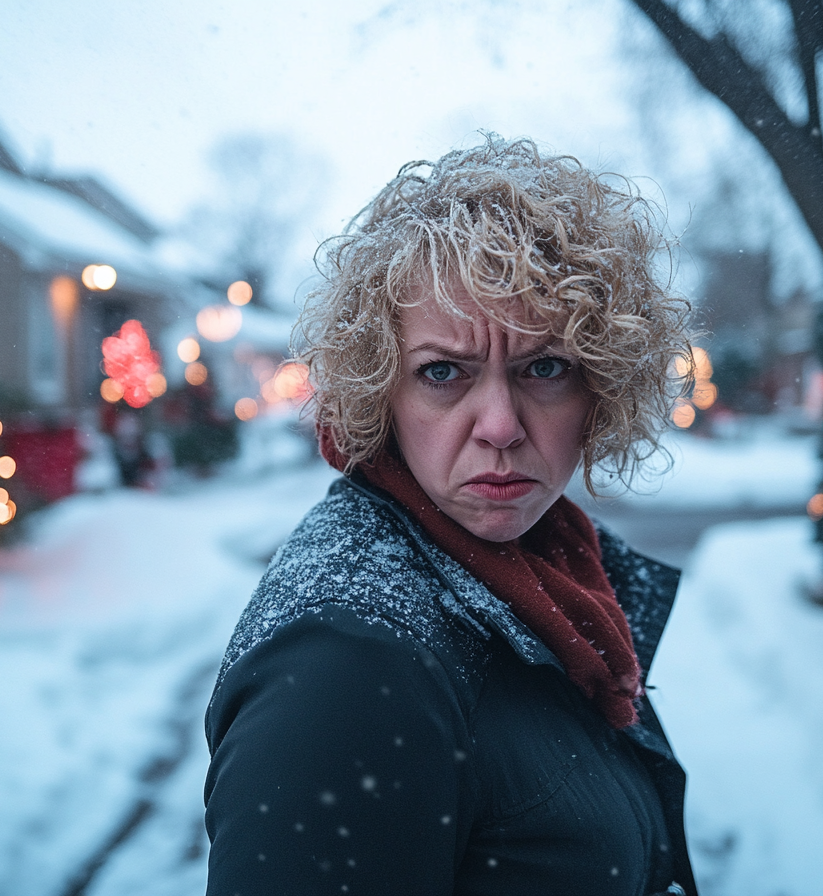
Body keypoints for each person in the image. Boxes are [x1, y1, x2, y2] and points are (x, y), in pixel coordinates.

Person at [204, 137, 696, 895]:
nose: (499, 424)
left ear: (599, 387)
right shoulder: (349, 666)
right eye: (443, 373)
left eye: (545, 367)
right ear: (380, 393)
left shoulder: (561, 576)